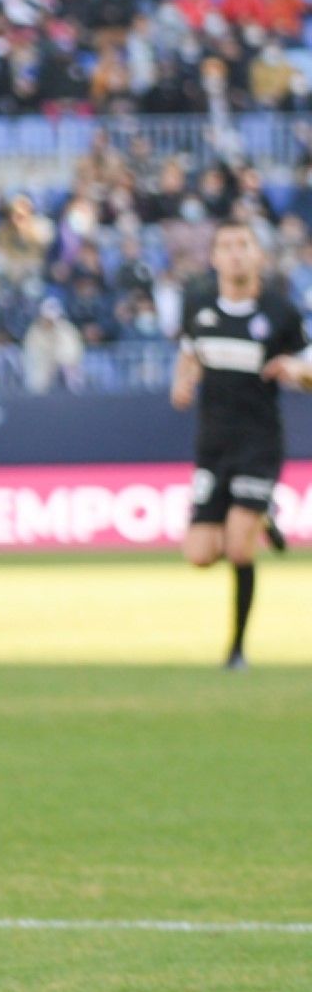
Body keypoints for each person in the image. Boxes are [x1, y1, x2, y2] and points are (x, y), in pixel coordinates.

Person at [170, 221, 311, 669]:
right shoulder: (199, 305)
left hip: (258, 443)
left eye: (243, 246)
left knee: (238, 548)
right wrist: (183, 381)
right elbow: (190, 353)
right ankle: (263, 514)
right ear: (213, 258)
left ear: (259, 257)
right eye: (226, 246)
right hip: (213, 445)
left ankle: (236, 649)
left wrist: (296, 370)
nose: (234, 254)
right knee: (199, 555)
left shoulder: (280, 313)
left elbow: (309, 372)